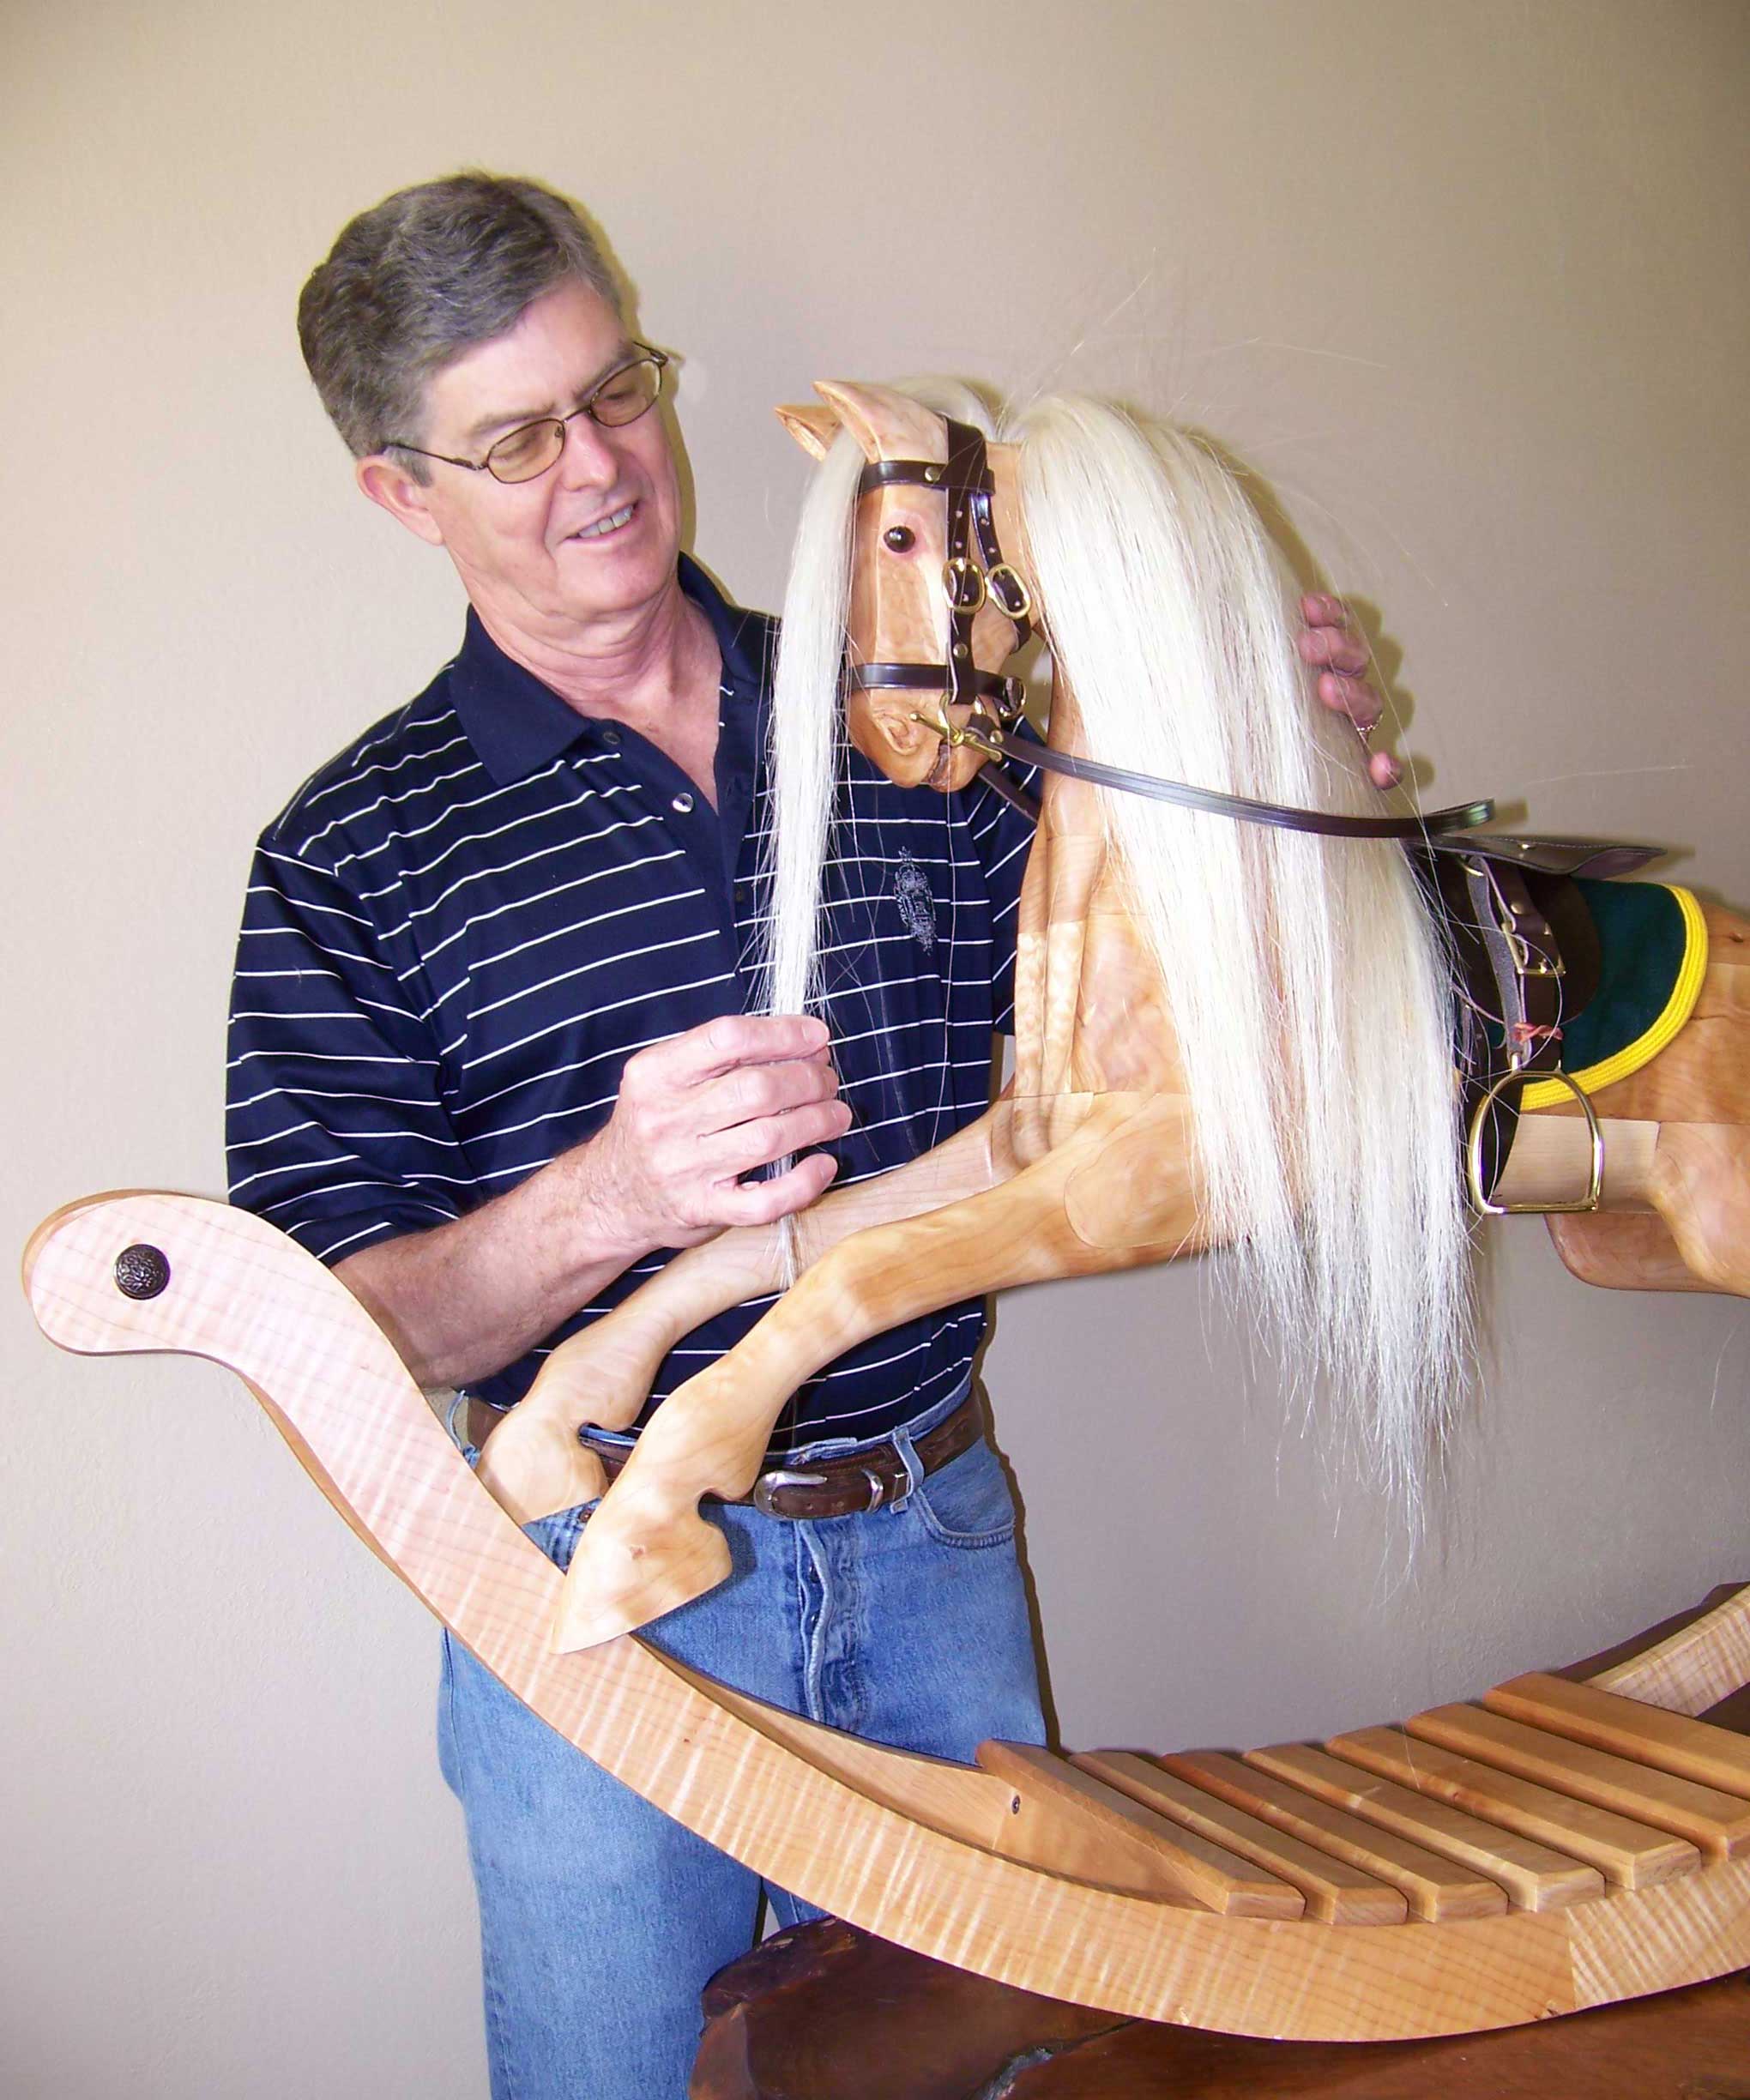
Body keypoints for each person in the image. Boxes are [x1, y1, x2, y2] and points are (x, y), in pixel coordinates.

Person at [226, 172, 1398, 2097]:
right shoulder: (350, 856)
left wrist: (1275, 744)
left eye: (618, 391)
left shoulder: (921, 719)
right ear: (396, 490)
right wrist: (605, 1200)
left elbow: (1167, 1035)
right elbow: (356, 1333)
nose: (600, 466)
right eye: (517, 439)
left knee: (990, 2073)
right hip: (591, 1598)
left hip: (931, 1533)